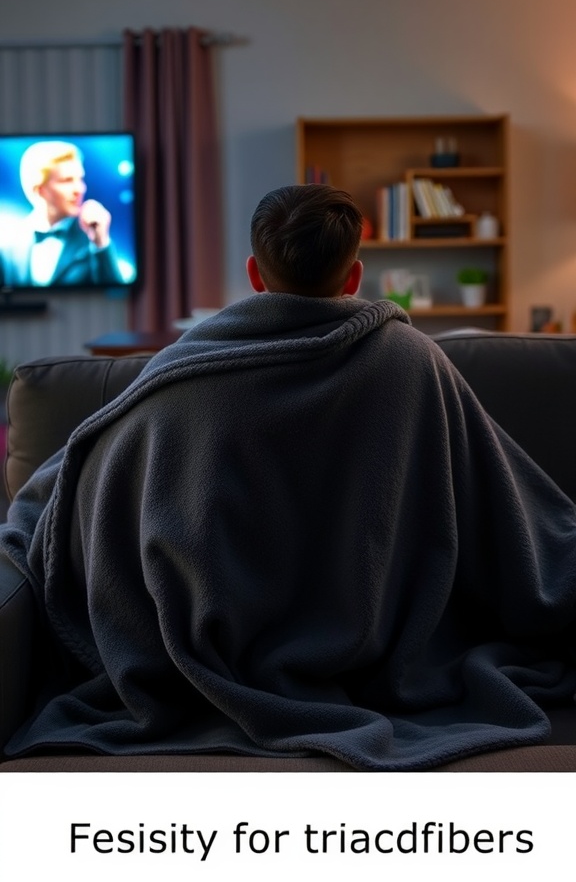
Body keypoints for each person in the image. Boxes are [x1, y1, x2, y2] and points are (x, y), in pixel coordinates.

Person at [1, 183, 576, 770]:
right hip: (381, 650)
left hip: (207, 656)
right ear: (353, 277)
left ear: (254, 272)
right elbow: (504, 499)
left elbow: (91, 477)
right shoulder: (414, 360)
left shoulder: (181, 378)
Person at [0, 139, 124, 287]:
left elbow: (117, 294)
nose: (80, 189)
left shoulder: (93, 239)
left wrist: (100, 243)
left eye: (80, 179)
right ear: (39, 190)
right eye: (67, 181)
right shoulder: (8, 243)